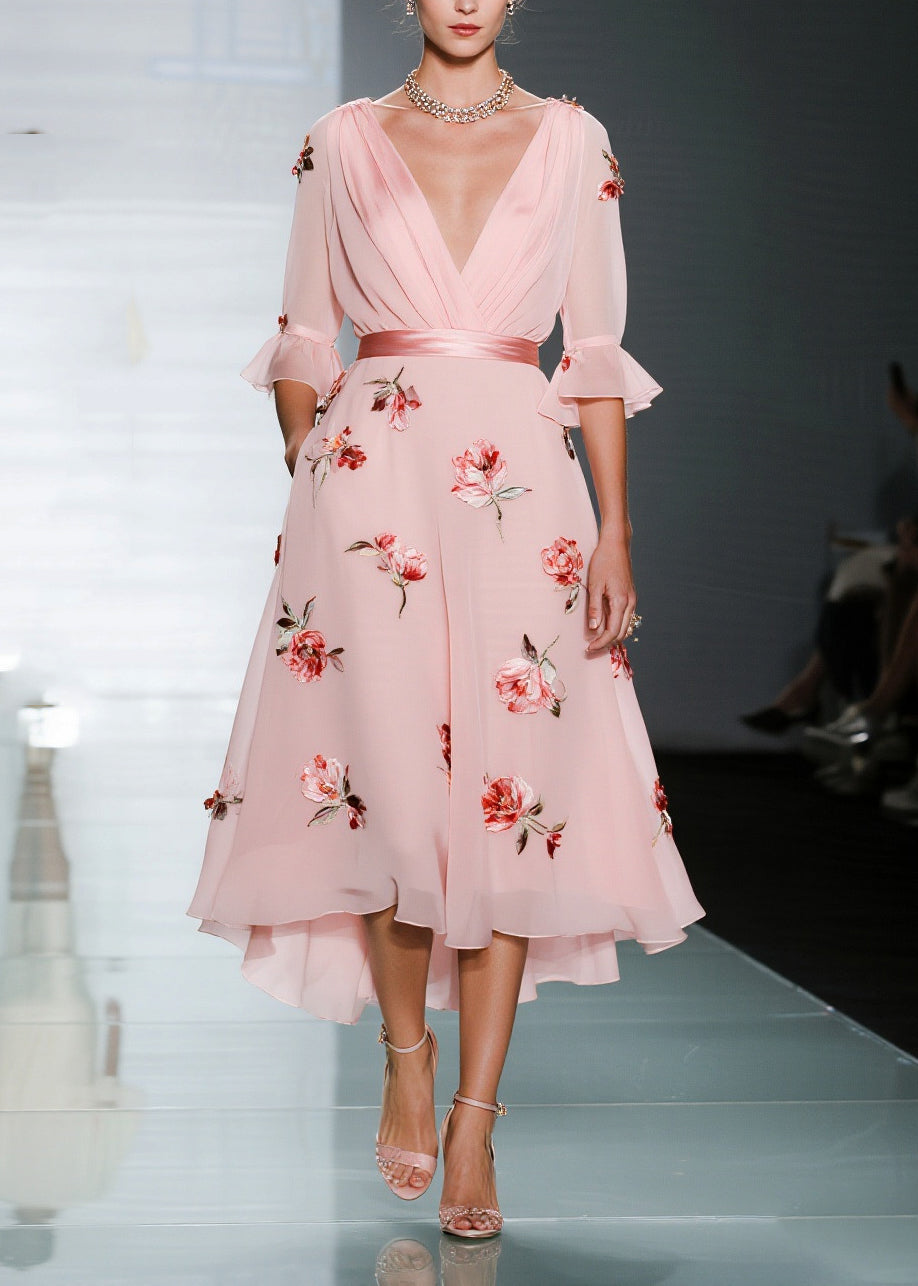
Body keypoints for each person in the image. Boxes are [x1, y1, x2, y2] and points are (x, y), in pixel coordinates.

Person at [186, 0, 704, 1240]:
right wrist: (314, 467)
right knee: (388, 783)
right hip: (371, 486)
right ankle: (408, 1056)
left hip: (524, 489)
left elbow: (595, 350)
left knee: (507, 793)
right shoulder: (340, 140)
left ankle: (476, 1115)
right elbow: (304, 331)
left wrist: (617, 532)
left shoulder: (574, 140)